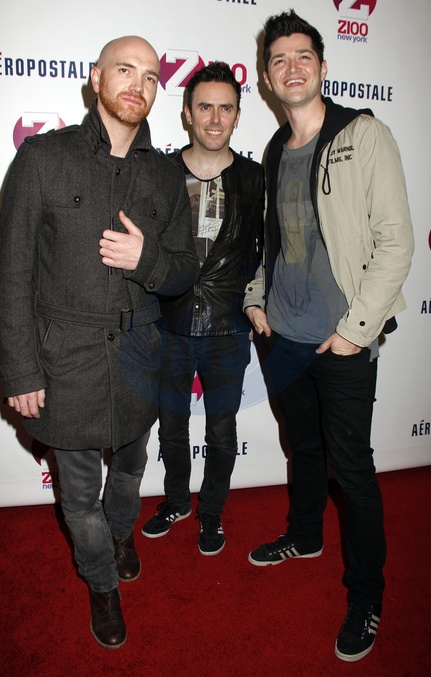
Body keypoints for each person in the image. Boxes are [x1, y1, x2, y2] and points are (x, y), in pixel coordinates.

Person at [0, 36, 199, 649]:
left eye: (150, 76)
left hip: (140, 360)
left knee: (131, 471)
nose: (137, 84)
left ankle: (121, 534)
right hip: (65, 364)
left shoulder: (165, 174)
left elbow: (184, 270)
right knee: (80, 496)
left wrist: (147, 261)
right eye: (124, 70)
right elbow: (12, 272)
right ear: (95, 77)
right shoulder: (41, 158)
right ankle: (101, 581)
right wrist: (20, 371)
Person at [243, 11, 414, 663]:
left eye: (302, 56)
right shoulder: (273, 150)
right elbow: (271, 241)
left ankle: (366, 596)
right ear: (267, 77)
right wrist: (256, 296)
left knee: (354, 469)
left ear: (322, 65)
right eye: (279, 59)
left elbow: (396, 244)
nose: (292, 67)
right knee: (303, 447)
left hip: (341, 341)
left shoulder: (363, 134)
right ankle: (305, 534)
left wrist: (353, 332)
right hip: (283, 336)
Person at [141, 63, 264, 555]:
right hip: (168, 325)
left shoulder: (255, 179)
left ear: (237, 115)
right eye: (205, 107)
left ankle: (211, 511)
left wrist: (256, 304)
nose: (215, 119)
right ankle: (176, 501)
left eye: (225, 108)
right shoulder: (162, 173)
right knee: (171, 427)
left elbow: (271, 252)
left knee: (221, 430)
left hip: (228, 328)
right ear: (187, 114)